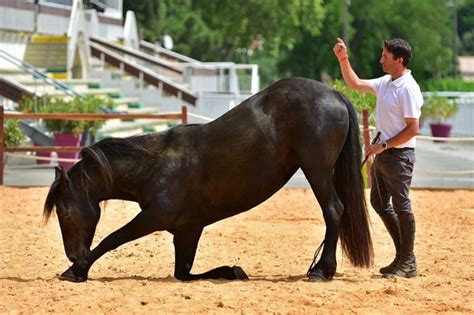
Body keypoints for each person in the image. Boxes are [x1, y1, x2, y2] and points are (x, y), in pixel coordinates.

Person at [333, 37, 423, 278]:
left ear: (399, 60)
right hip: (384, 155)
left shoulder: (408, 88)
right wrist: (343, 58)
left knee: (402, 206)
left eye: (385, 55)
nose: (381, 59)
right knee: (379, 203)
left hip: (399, 156)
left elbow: (413, 128)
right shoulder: (386, 82)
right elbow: (354, 83)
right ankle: (403, 256)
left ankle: (407, 260)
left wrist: (382, 145)